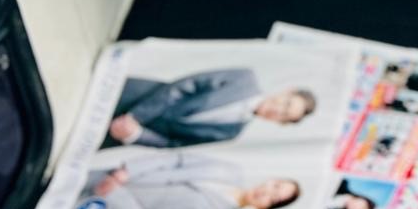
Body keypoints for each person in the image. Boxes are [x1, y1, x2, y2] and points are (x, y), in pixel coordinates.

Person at [83, 151, 300, 209]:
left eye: (273, 199)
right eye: (275, 186)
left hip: (101, 208)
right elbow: (176, 159)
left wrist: (112, 195)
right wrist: (128, 171)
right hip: (111, 175)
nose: (267, 193)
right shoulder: (229, 169)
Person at [103, 68, 317, 148]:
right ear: (286, 91)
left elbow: (174, 143)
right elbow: (184, 86)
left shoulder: (231, 133)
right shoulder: (244, 79)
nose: (278, 110)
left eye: (284, 116)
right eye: (286, 103)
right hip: (133, 95)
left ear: (279, 123)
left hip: (117, 133)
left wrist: (136, 134)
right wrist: (136, 116)